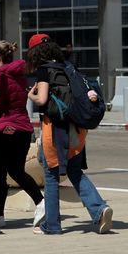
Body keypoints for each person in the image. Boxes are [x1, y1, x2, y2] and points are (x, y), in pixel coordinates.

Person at [26, 33, 113, 235]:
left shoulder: (44, 70)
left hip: (55, 130)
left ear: (35, 52)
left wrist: (31, 95)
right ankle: (99, 209)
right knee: (74, 171)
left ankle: (52, 225)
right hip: (77, 131)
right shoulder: (68, 67)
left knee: (51, 175)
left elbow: (42, 100)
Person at [0, 40, 44, 228]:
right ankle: (41, 203)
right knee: (16, 171)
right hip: (23, 128)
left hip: (2, 130)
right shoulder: (19, 74)